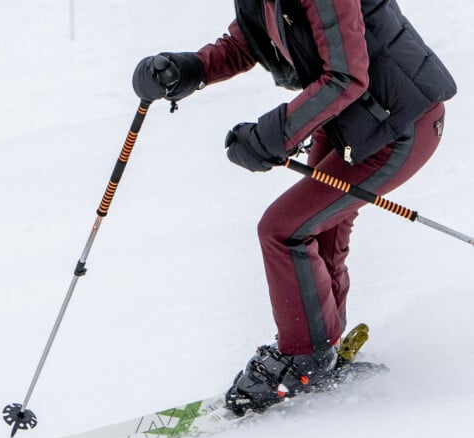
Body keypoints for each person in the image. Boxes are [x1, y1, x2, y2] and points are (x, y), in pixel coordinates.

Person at [132, 0, 456, 414]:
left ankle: (305, 358)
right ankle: (324, 346)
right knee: (317, 228)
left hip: (397, 123)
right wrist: (188, 69)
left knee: (284, 229)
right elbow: (248, 41)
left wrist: (274, 135)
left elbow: (346, 76)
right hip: (352, 120)